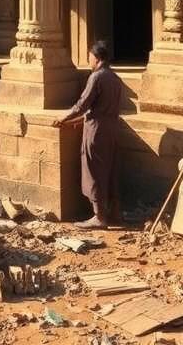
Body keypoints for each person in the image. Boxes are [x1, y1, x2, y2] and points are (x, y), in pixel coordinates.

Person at [52, 41, 123, 229]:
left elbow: (82, 105)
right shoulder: (115, 78)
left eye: (89, 55)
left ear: (97, 58)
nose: (88, 59)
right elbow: (99, 108)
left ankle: (99, 217)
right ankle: (114, 213)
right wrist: (75, 121)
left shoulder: (97, 77)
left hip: (97, 131)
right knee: (110, 170)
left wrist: (63, 117)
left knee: (94, 171)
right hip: (112, 129)